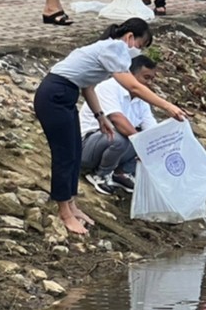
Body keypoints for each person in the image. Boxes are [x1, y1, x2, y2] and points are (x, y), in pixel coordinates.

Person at [34, 19, 179, 234]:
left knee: (73, 152)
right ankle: (64, 212)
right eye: (140, 45)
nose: (138, 51)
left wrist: (100, 115)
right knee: (64, 154)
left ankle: (72, 205)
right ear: (130, 38)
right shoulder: (115, 48)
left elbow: (88, 86)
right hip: (54, 94)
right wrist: (167, 106)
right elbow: (133, 86)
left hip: (66, 95)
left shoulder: (107, 49)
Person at [77, 55, 183, 195]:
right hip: (85, 148)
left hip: (110, 149)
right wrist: (142, 145)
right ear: (130, 76)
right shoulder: (108, 88)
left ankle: (121, 173)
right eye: (146, 78)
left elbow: (152, 130)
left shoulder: (142, 101)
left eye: (152, 79)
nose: (149, 83)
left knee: (148, 141)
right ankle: (100, 174)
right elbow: (117, 119)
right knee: (122, 136)